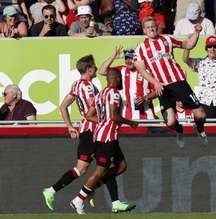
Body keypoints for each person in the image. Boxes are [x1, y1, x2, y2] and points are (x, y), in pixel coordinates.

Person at [42, 55, 128, 212]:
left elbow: (62, 106)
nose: (96, 69)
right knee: (92, 168)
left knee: (101, 167)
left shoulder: (77, 84)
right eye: (94, 67)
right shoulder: (88, 86)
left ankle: (103, 198)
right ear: (89, 70)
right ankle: (56, 191)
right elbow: (91, 108)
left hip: (88, 129)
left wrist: (69, 126)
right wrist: (107, 120)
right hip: (92, 130)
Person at [70, 68, 138, 215]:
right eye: (120, 78)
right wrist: (130, 122)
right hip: (107, 138)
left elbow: (89, 115)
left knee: (121, 166)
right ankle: (80, 199)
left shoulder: (100, 94)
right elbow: (114, 116)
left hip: (102, 135)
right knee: (101, 170)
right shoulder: (114, 93)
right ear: (117, 78)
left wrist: (102, 121)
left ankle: (93, 190)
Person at [134, 16, 207, 147]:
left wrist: (197, 32)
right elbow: (142, 70)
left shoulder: (167, 39)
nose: (151, 28)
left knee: (201, 115)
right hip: (162, 87)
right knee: (170, 122)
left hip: (178, 82)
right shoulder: (140, 49)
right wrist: (155, 82)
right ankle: (179, 129)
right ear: (144, 31)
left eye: (153, 26)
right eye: (148, 27)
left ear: (157, 28)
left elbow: (188, 45)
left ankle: (199, 129)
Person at [99, 47, 157, 120]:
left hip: (146, 117)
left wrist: (145, 98)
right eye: (126, 58)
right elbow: (102, 71)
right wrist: (112, 57)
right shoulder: (121, 70)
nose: (128, 61)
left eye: (131, 58)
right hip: (126, 117)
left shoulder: (147, 72)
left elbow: (157, 91)